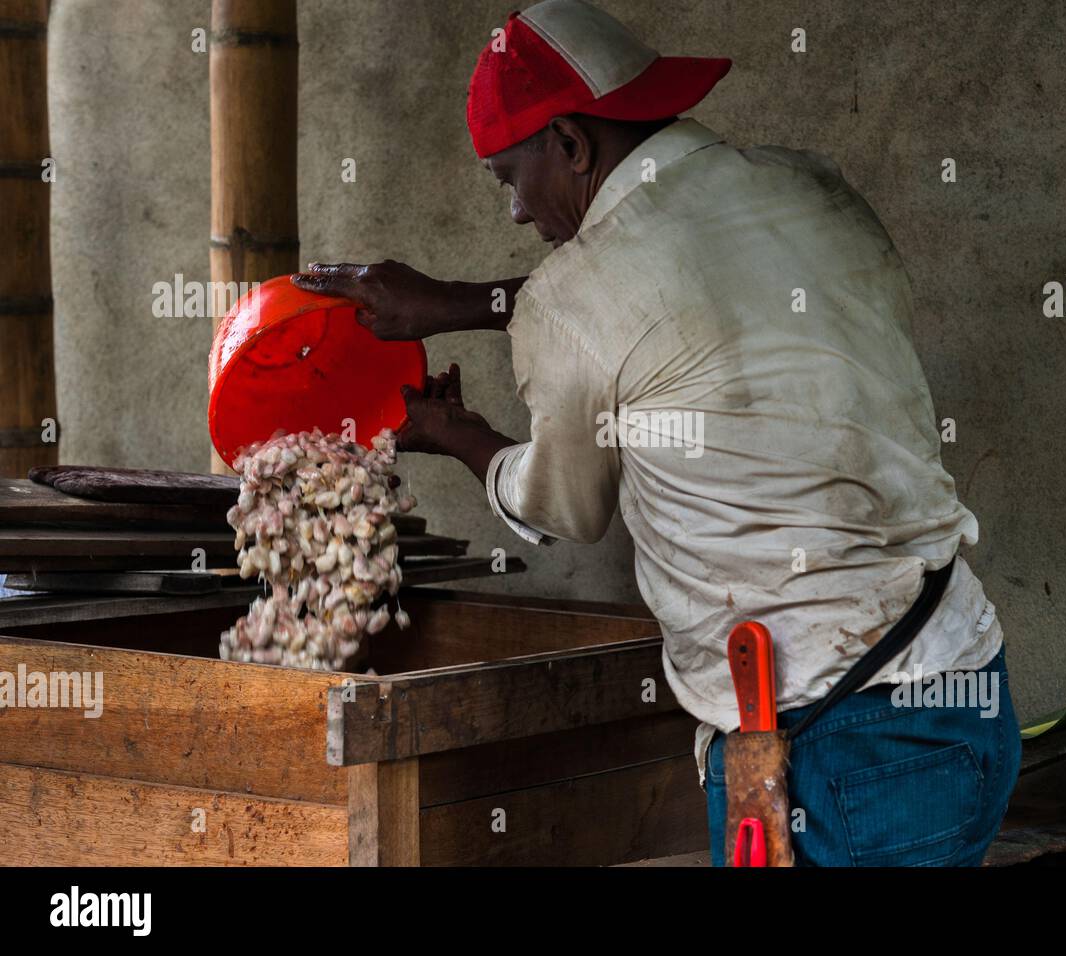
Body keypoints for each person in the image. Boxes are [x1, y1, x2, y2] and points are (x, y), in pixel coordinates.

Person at [293, 0, 1020, 867]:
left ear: (570, 144)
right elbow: (675, 298)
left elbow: (564, 504)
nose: (518, 213)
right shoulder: (808, 187)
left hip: (832, 745)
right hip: (964, 684)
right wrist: (453, 303)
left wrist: (456, 434)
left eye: (508, 178)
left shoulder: (577, 298)